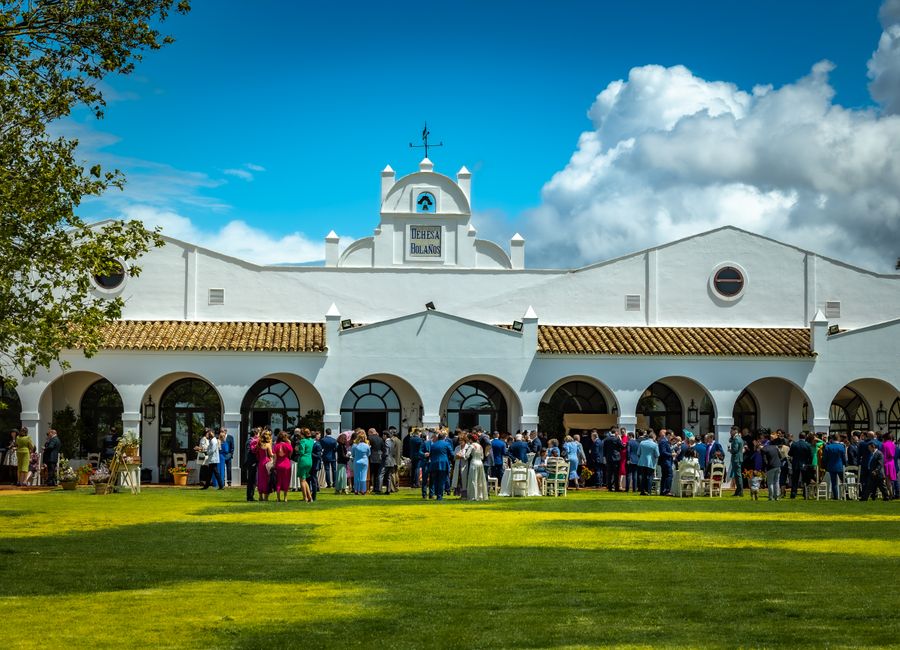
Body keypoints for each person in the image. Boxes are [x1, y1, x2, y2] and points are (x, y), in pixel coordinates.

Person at [463, 432, 489, 500]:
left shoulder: (471, 446)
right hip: (480, 463)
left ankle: (473, 496)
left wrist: (463, 455)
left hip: (474, 463)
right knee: (480, 480)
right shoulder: (480, 446)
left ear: (471, 440)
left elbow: (466, 456)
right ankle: (480, 496)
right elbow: (482, 457)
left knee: (473, 480)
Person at [428, 432, 454, 500]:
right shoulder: (446, 444)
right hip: (443, 464)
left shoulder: (433, 445)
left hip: (434, 464)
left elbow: (430, 455)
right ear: (444, 438)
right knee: (442, 480)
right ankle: (439, 496)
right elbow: (451, 454)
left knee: (436, 480)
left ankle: (437, 494)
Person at [822, 434, 847, 500]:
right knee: (844, 481)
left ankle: (836, 496)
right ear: (838, 439)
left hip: (831, 466)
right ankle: (846, 494)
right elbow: (844, 457)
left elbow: (825, 458)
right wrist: (845, 465)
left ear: (832, 439)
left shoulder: (828, 447)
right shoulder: (842, 446)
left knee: (834, 482)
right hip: (840, 466)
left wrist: (825, 465)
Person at [252, 429, 273, 501]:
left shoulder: (259, 444)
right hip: (267, 462)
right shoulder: (268, 445)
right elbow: (270, 454)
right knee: (267, 479)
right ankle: (266, 497)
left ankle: (260, 496)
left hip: (261, 463)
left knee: (260, 479)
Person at [272, 431, 293, 502]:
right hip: (286, 464)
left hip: (278, 464)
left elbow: (275, 457)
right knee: (286, 480)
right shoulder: (287, 445)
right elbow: (290, 454)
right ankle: (285, 497)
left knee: (278, 481)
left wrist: (274, 465)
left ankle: (278, 497)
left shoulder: (276, 445)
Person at [295, 428, 314, 503]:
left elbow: (301, 452)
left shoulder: (303, 441)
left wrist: (297, 449)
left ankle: (305, 497)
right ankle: (310, 497)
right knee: (305, 479)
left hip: (303, 460)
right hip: (309, 460)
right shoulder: (311, 441)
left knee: (302, 480)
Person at [637, 431, 659, 495]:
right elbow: (657, 454)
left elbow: (638, 453)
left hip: (642, 462)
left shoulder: (642, 443)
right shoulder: (654, 444)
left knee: (643, 477)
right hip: (650, 463)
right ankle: (649, 491)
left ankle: (642, 491)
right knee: (650, 477)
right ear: (654, 437)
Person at [762, 434, 783, 500]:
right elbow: (780, 456)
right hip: (778, 465)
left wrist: (765, 467)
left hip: (770, 467)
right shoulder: (775, 447)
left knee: (770, 482)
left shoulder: (764, 449)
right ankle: (777, 496)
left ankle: (771, 497)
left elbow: (764, 460)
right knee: (776, 481)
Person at [351, 431, 370, 495]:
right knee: (363, 476)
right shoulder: (367, 445)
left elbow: (352, 454)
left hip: (357, 461)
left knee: (356, 476)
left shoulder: (354, 445)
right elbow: (369, 454)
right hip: (364, 462)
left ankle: (356, 490)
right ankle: (363, 490)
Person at [729, 427, 745, 496]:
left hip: (736, 459)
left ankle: (740, 491)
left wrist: (730, 450)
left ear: (735, 431)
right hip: (739, 458)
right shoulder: (740, 438)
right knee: (738, 475)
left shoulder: (736, 439)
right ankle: (738, 491)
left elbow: (735, 450)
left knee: (738, 475)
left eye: (731, 430)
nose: (730, 432)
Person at [367, 428, 384, 494]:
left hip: (371, 457)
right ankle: (376, 488)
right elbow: (383, 448)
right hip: (379, 458)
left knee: (370, 474)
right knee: (377, 474)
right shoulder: (380, 439)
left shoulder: (369, 438)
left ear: (370, 432)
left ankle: (368, 487)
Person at [380, 430, 397, 494]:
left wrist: (382, 456)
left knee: (381, 475)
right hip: (391, 461)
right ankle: (388, 490)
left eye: (383, 435)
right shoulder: (392, 442)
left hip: (386, 460)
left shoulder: (386, 442)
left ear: (385, 435)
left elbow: (386, 452)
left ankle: (379, 489)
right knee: (389, 476)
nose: (382, 437)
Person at [244, 428, 259, 501]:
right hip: (251, 462)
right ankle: (249, 496)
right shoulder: (250, 441)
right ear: (256, 434)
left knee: (253, 480)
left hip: (253, 462)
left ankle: (251, 496)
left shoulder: (251, 441)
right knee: (251, 480)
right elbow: (249, 453)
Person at [658, 429, 674, 496]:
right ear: (668, 435)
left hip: (665, 461)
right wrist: (671, 454)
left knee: (664, 476)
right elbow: (663, 452)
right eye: (671, 436)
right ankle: (667, 491)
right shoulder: (664, 441)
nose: (672, 437)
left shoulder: (664, 441)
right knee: (669, 475)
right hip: (666, 461)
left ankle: (663, 491)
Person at [308, 431, 323, 501]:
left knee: (313, 480)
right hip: (310, 463)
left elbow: (318, 456)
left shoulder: (317, 444)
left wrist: (310, 453)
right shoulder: (312, 443)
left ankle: (314, 496)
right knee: (309, 479)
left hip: (314, 464)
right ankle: (308, 495)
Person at [882, 433, 897, 499]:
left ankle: (890, 494)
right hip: (892, 462)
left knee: (887, 480)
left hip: (886, 462)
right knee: (890, 480)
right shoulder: (893, 444)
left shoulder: (884, 445)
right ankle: (891, 493)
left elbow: (884, 455)